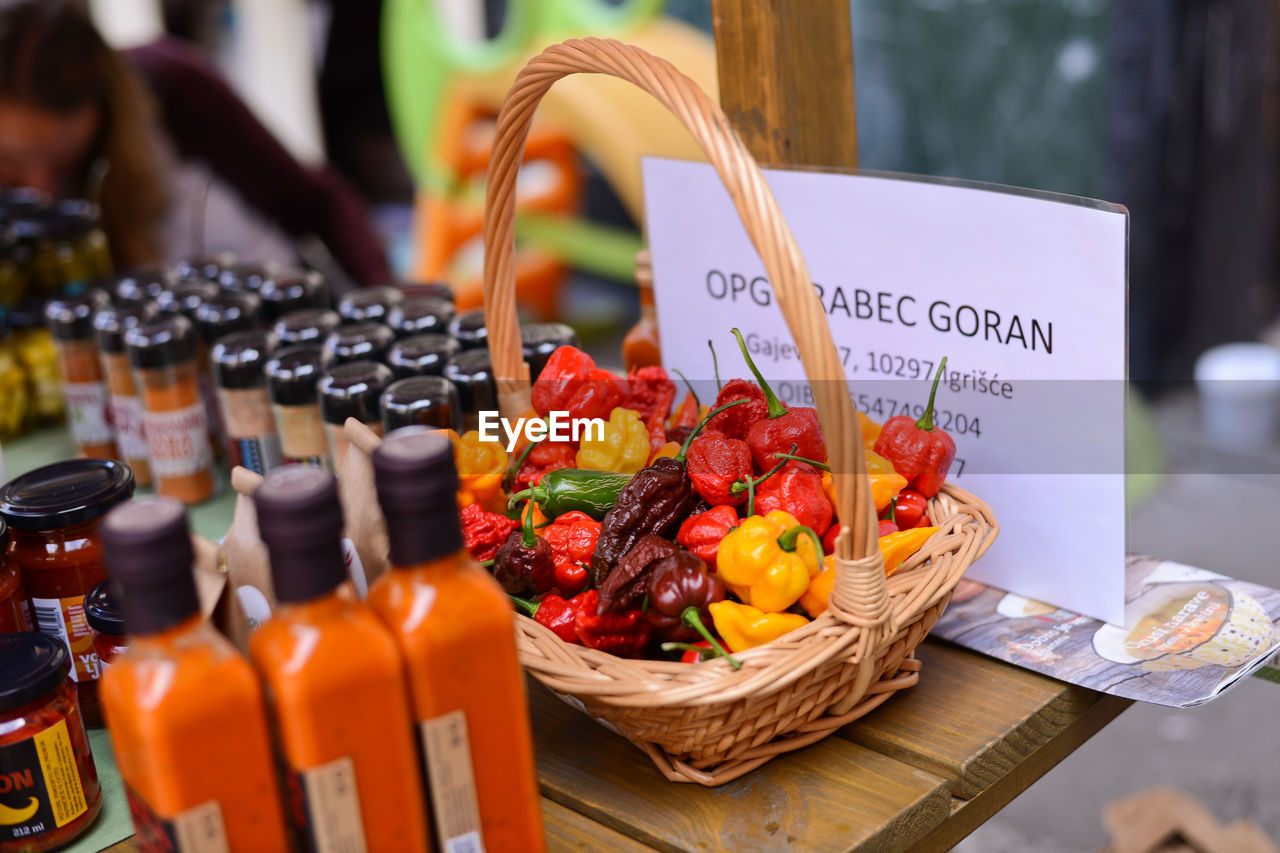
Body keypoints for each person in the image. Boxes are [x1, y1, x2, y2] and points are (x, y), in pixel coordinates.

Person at [0, 0, 391, 285]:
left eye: (64, 162)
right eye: (13, 162)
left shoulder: (173, 85)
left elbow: (319, 200)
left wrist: (386, 294)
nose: (41, 187)